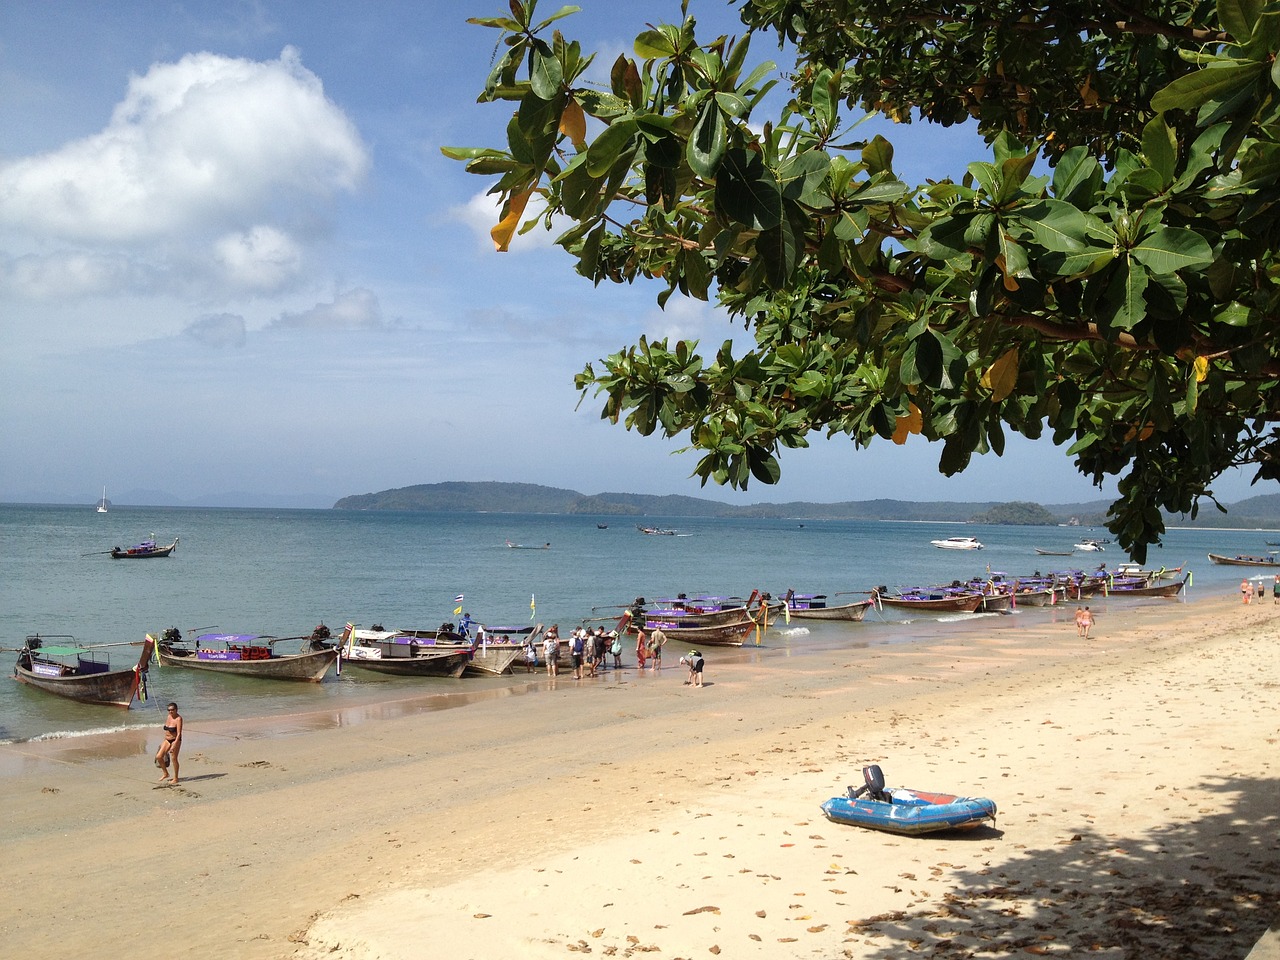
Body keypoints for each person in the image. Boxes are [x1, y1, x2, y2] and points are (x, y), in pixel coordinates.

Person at [155, 702, 183, 785]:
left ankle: (176, 778)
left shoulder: (179, 719)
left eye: (172, 710)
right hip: (167, 740)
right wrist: (163, 743)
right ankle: (166, 773)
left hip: (175, 740)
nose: (170, 711)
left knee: (174, 758)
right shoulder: (169, 717)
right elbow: (167, 730)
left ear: (176, 710)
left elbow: (178, 733)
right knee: (159, 757)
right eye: (169, 710)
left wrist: (174, 744)